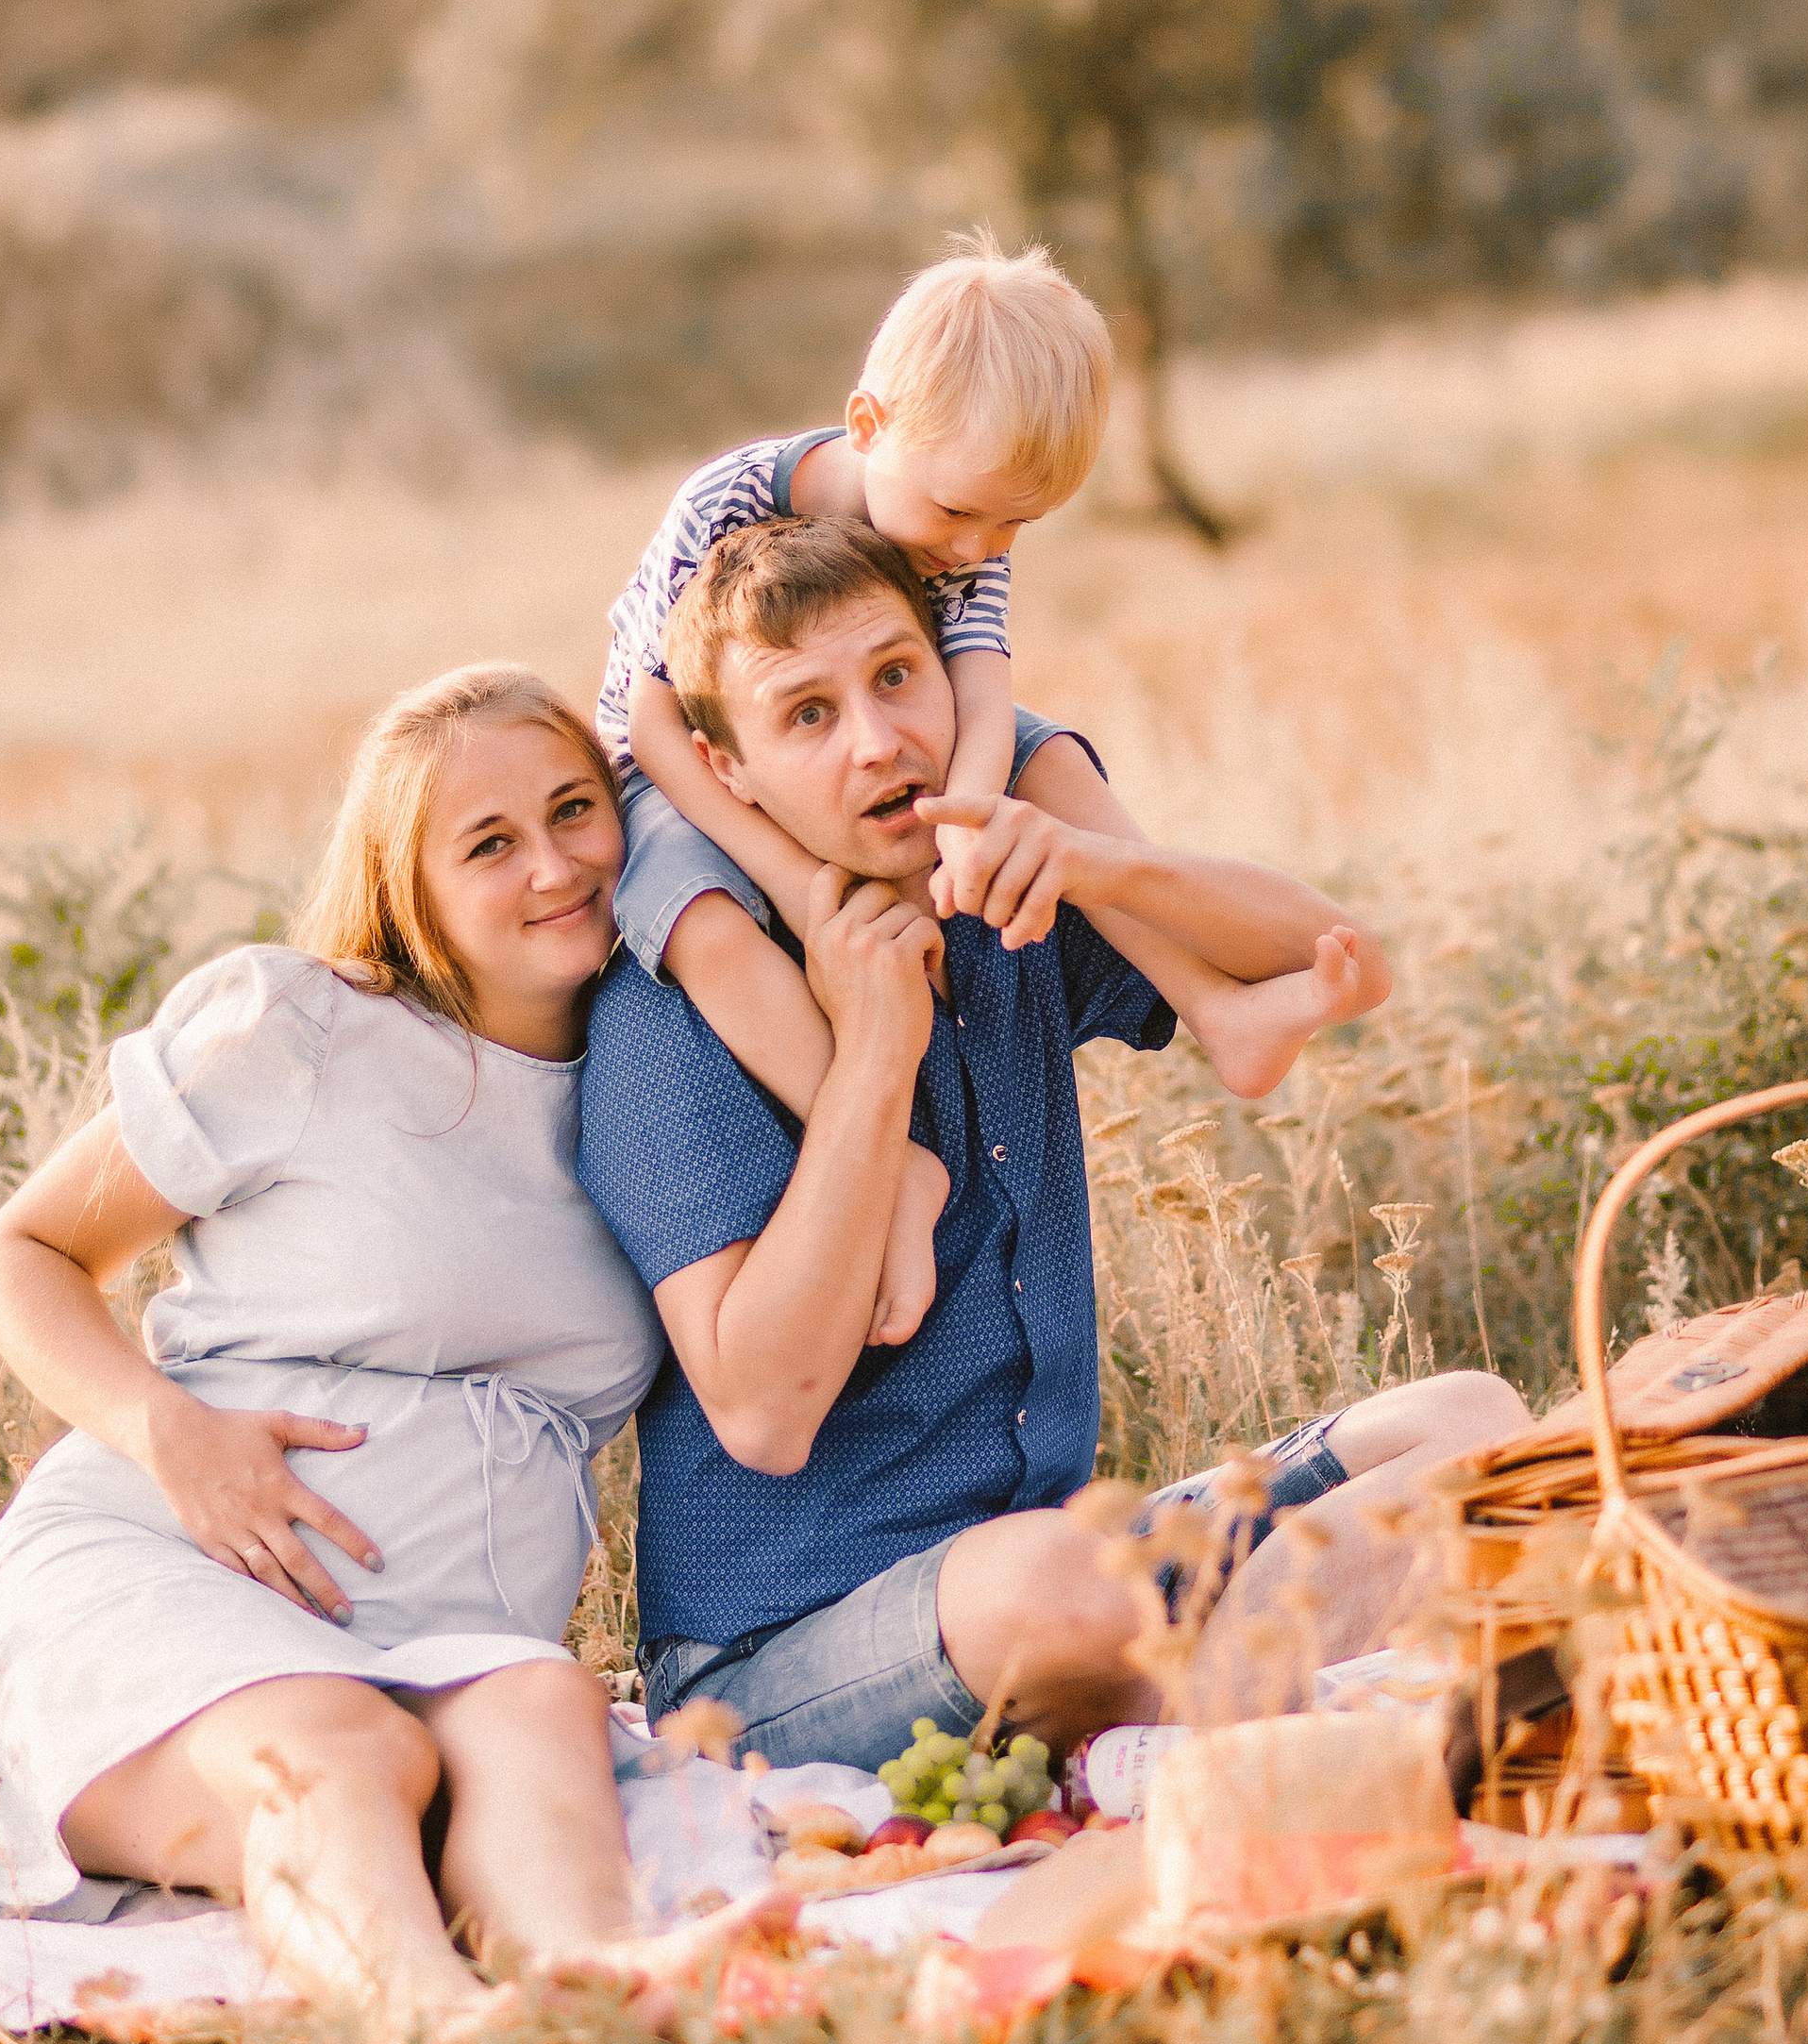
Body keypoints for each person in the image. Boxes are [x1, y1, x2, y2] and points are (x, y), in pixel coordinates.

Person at [577, 516, 1524, 1772]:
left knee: (1474, 1425)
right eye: (806, 714)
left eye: (897, 677)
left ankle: (1194, 1680)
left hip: (1064, 1551)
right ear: (724, 768)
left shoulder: (995, 899)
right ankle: (1305, 1683)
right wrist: (873, 1056)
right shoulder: (675, 1005)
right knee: (1064, 1590)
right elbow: (762, 1412)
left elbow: (1330, 959)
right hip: (783, 1661)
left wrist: (1104, 867)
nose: (879, 739)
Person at [0, 663, 779, 2044]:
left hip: (448, 1632)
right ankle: (432, 2036)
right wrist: (171, 1433)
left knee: (537, 1706)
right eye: (491, 843)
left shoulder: (663, 1071)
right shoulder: (304, 1031)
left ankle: (602, 1995)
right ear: (412, 887)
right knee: (349, 1749)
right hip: (163, 1567)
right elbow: (15, 1260)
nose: (558, 865)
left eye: (578, 810)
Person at [597, 232, 1377, 1352]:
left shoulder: (966, 530)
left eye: (1016, 526)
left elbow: (982, 688)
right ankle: (887, 1155)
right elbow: (652, 719)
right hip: (685, 766)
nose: (980, 548)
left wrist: (970, 825)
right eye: (964, 516)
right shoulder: (725, 503)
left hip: (842, 734)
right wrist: (798, 880)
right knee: (707, 928)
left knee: (1045, 765)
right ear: (869, 430)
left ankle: (1212, 1003)